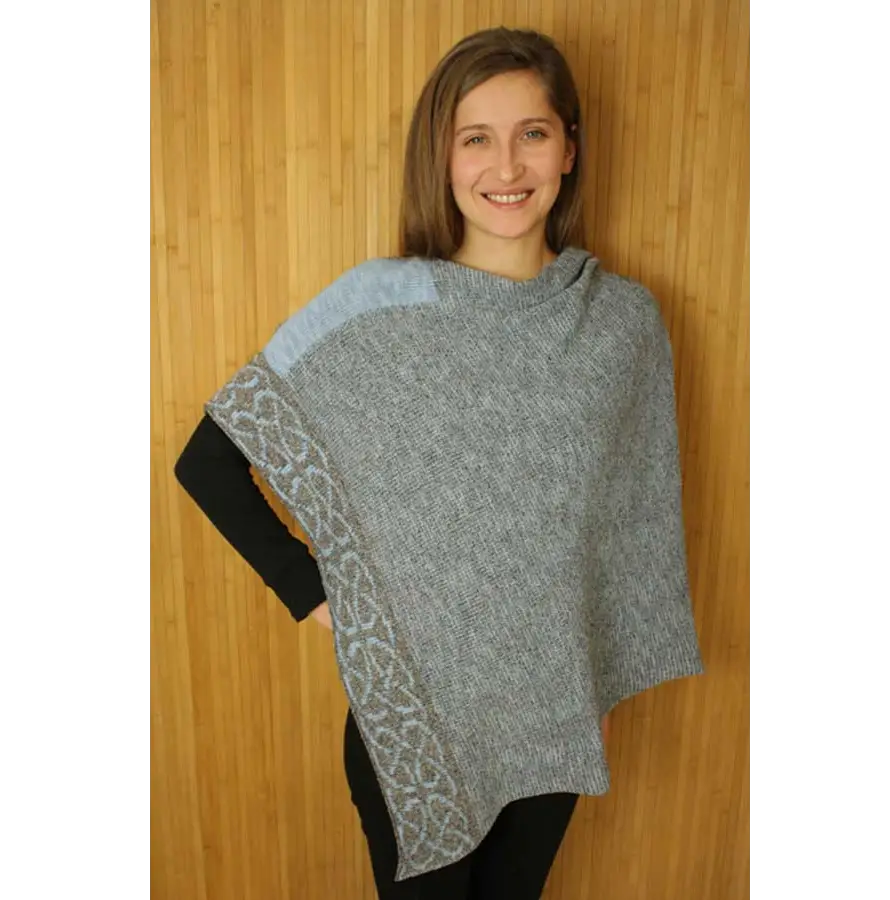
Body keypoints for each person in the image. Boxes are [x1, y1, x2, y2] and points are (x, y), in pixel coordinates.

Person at [174, 26, 703, 900]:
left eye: (532, 133)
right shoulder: (374, 308)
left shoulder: (623, 324)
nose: (507, 165)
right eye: (476, 138)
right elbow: (208, 462)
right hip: (411, 724)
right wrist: (319, 596)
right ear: (444, 157)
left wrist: (597, 690)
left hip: (551, 721)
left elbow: (624, 535)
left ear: (570, 148)